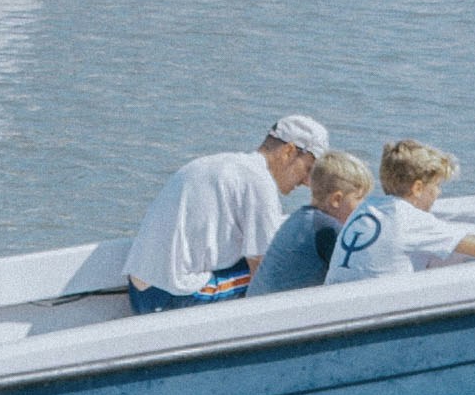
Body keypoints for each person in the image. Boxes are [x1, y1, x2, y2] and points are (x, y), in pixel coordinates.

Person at [123, 113, 327, 314]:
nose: (307, 182)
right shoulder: (259, 182)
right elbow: (266, 270)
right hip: (173, 297)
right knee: (290, 272)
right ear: (289, 151)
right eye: (309, 169)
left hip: (141, 291)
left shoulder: (217, 163)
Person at [328, 138, 475, 285]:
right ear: (418, 188)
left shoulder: (365, 208)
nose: (439, 192)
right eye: (436, 185)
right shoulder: (411, 219)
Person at [252, 149, 372, 293]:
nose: (363, 206)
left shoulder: (300, 217)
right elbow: (362, 273)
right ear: (336, 200)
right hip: (284, 312)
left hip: (259, 304)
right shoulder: (327, 230)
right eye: (359, 198)